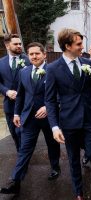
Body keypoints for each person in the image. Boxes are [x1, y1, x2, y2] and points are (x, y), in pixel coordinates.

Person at [44, 28, 91, 200]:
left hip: (90, 118)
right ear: (67, 46)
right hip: (69, 121)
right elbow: (49, 100)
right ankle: (78, 193)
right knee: (73, 159)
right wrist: (55, 126)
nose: (82, 47)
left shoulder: (89, 64)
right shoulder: (53, 69)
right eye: (78, 44)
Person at [0, 42, 61, 195]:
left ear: (44, 55)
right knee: (24, 149)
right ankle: (15, 181)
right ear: (28, 56)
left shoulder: (53, 71)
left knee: (52, 144)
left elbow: (60, 94)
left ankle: (55, 167)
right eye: (31, 54)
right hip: (29, 118)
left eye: (37, 53)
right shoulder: (24, 72)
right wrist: (16, 113)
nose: (34, 56)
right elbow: (20, 95)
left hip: (49, 117)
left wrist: (48, 107)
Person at [0, 34, 30, 152]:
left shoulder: (28, 60)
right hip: (9, 104)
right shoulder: (1, 62)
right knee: (14, 132)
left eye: (19, 44)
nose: (19, 46)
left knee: (23, 131)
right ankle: (20, 151)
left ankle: (24, 155)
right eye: (16, 44)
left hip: (26, 104)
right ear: (7, 45)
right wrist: (6, 91)